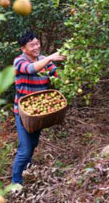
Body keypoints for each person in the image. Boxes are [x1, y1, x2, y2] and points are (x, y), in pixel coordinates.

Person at [11, 31, 66, 189]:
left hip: (38, 113)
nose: (36, 47)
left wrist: (70, 72)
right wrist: (50, 57)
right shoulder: (19, 61)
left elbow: (56, 75)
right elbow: (30, 69)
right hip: (23, 112)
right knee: (25, 149)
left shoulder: (44, 60)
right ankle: (16, 182)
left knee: (33, 143)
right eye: (32, 45)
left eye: (37, 43)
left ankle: (27, 169)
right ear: (23, 48)